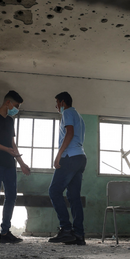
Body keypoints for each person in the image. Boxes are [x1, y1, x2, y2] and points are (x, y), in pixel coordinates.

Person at [0, 90, 31, 245]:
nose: (17, 109)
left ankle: (5, 232)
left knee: (11, 197)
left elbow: (12, 143)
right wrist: (5, 150)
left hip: (10, 165)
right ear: (8, 103)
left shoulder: (10, 121)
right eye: (16, 105)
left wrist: (22, 163)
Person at [47, 92, 87, 246]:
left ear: (63, 102)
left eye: (57, 103)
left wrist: (59, 155)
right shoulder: (79, 116)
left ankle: (66, 229)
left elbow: (69, 133)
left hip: (69, 157)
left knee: (54, 191)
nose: (56, 106)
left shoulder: (68, 112)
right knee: (74, 196)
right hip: (80, 158)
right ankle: (78, 234)